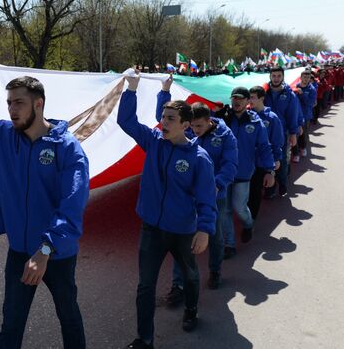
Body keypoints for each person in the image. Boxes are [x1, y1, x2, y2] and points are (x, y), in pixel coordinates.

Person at [0, 57, 89, 349]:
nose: (12, 110)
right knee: (11, 324)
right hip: (20, 250)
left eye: (19, 103)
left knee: (68, 316)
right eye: (10, 103)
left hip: (56, 254)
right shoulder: (2, 136)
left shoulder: (68, 149)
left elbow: (72, 205)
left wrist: (46, 250)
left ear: (38, 105)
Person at [118, 73, 217, 349]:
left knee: (190, 275)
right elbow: (126, 121)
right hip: (152, 228)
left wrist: (204, 230)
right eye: (163, 117)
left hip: (182, 230)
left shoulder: (199, 159)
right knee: (145, 286)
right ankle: (144, 339)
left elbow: (206, 198)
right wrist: (132, 89)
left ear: (186, 125)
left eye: (171, 119)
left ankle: (191, 310)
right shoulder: (153, 141)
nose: (163, 122)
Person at [156, 77, 237, 296]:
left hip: (215, 195)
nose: (194, 130)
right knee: (182, 238)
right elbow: (163, 118)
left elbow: (230, 165)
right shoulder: (188, 131)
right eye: (191, 126)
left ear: (210, 120)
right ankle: (178, 284)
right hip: (188, 196)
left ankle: (215, 271)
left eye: (199, 126)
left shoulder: (225, 135)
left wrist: (218, 185)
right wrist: (165, 91)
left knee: (215, 235)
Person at [215, 87, 275, 258]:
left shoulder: (256, 123)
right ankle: (230, 244)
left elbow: (264, 147)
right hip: (224, 173)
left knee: (239, 208)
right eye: (234, 98)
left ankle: (248, 224)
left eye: (241, 98)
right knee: (225, 210)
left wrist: (270, 170)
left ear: (248, 101)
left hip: (243, 173)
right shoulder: (222, 119)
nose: (236, 101)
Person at [264, 67, 300, 197]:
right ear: (270, 77)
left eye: (279, 76)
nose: (276, 79)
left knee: (282, 160)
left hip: (282, 132)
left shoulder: (289, 95)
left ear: (283, 77)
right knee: (267, 159)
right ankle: (270, 188)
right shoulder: (264, 92)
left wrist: (293, 133)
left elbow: (293, 115)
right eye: (273, 76)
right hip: (265, 132)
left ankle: (283, 183)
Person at [248, 86, 283, 215]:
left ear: (261, 98)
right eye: (249, 97)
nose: (249, 100)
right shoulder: (247, 116)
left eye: (252, 97)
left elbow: (277, 140)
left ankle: (251, 219)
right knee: (251, 190)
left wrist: (276, 158)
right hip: (249, 161)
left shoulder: (272, 118)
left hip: (263, 161)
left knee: (257, 190)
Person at [292, 70, 317, 162]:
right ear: (301, 77)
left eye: (308, 77)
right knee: (294, 134)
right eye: (304, 77)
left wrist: (302, 94)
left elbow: (311, 103)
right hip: (294, 115)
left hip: (305, 116)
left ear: (310, 78)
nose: (306, 79)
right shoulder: (295, 87)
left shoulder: (312, 89)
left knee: (303, 134)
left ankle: (303, 148)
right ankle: (296, 153)